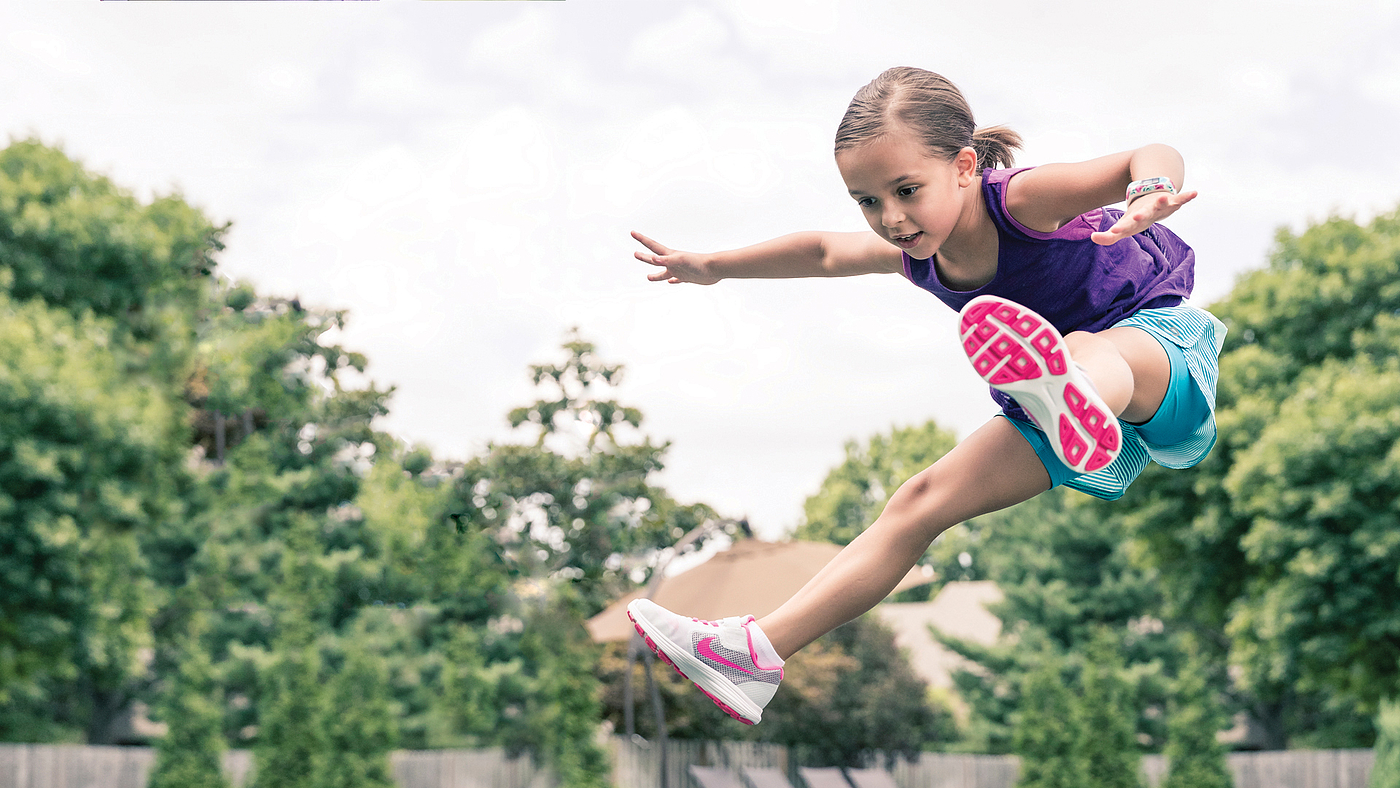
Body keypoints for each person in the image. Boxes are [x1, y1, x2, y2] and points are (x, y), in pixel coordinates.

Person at [626, 66, 1225, 725]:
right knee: (917, 503)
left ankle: (1071, 392)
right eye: (868, 201)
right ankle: (755, 650)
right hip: (1060, 413)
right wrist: (711, 266)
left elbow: (1146, 155)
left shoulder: (1021, 201)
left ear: (965, 166)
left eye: (907, 190)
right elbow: (823, 251)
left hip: (1159, 355)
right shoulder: (915, 253)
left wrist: (1151, 190)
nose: (891, 218)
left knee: (1092, 352)